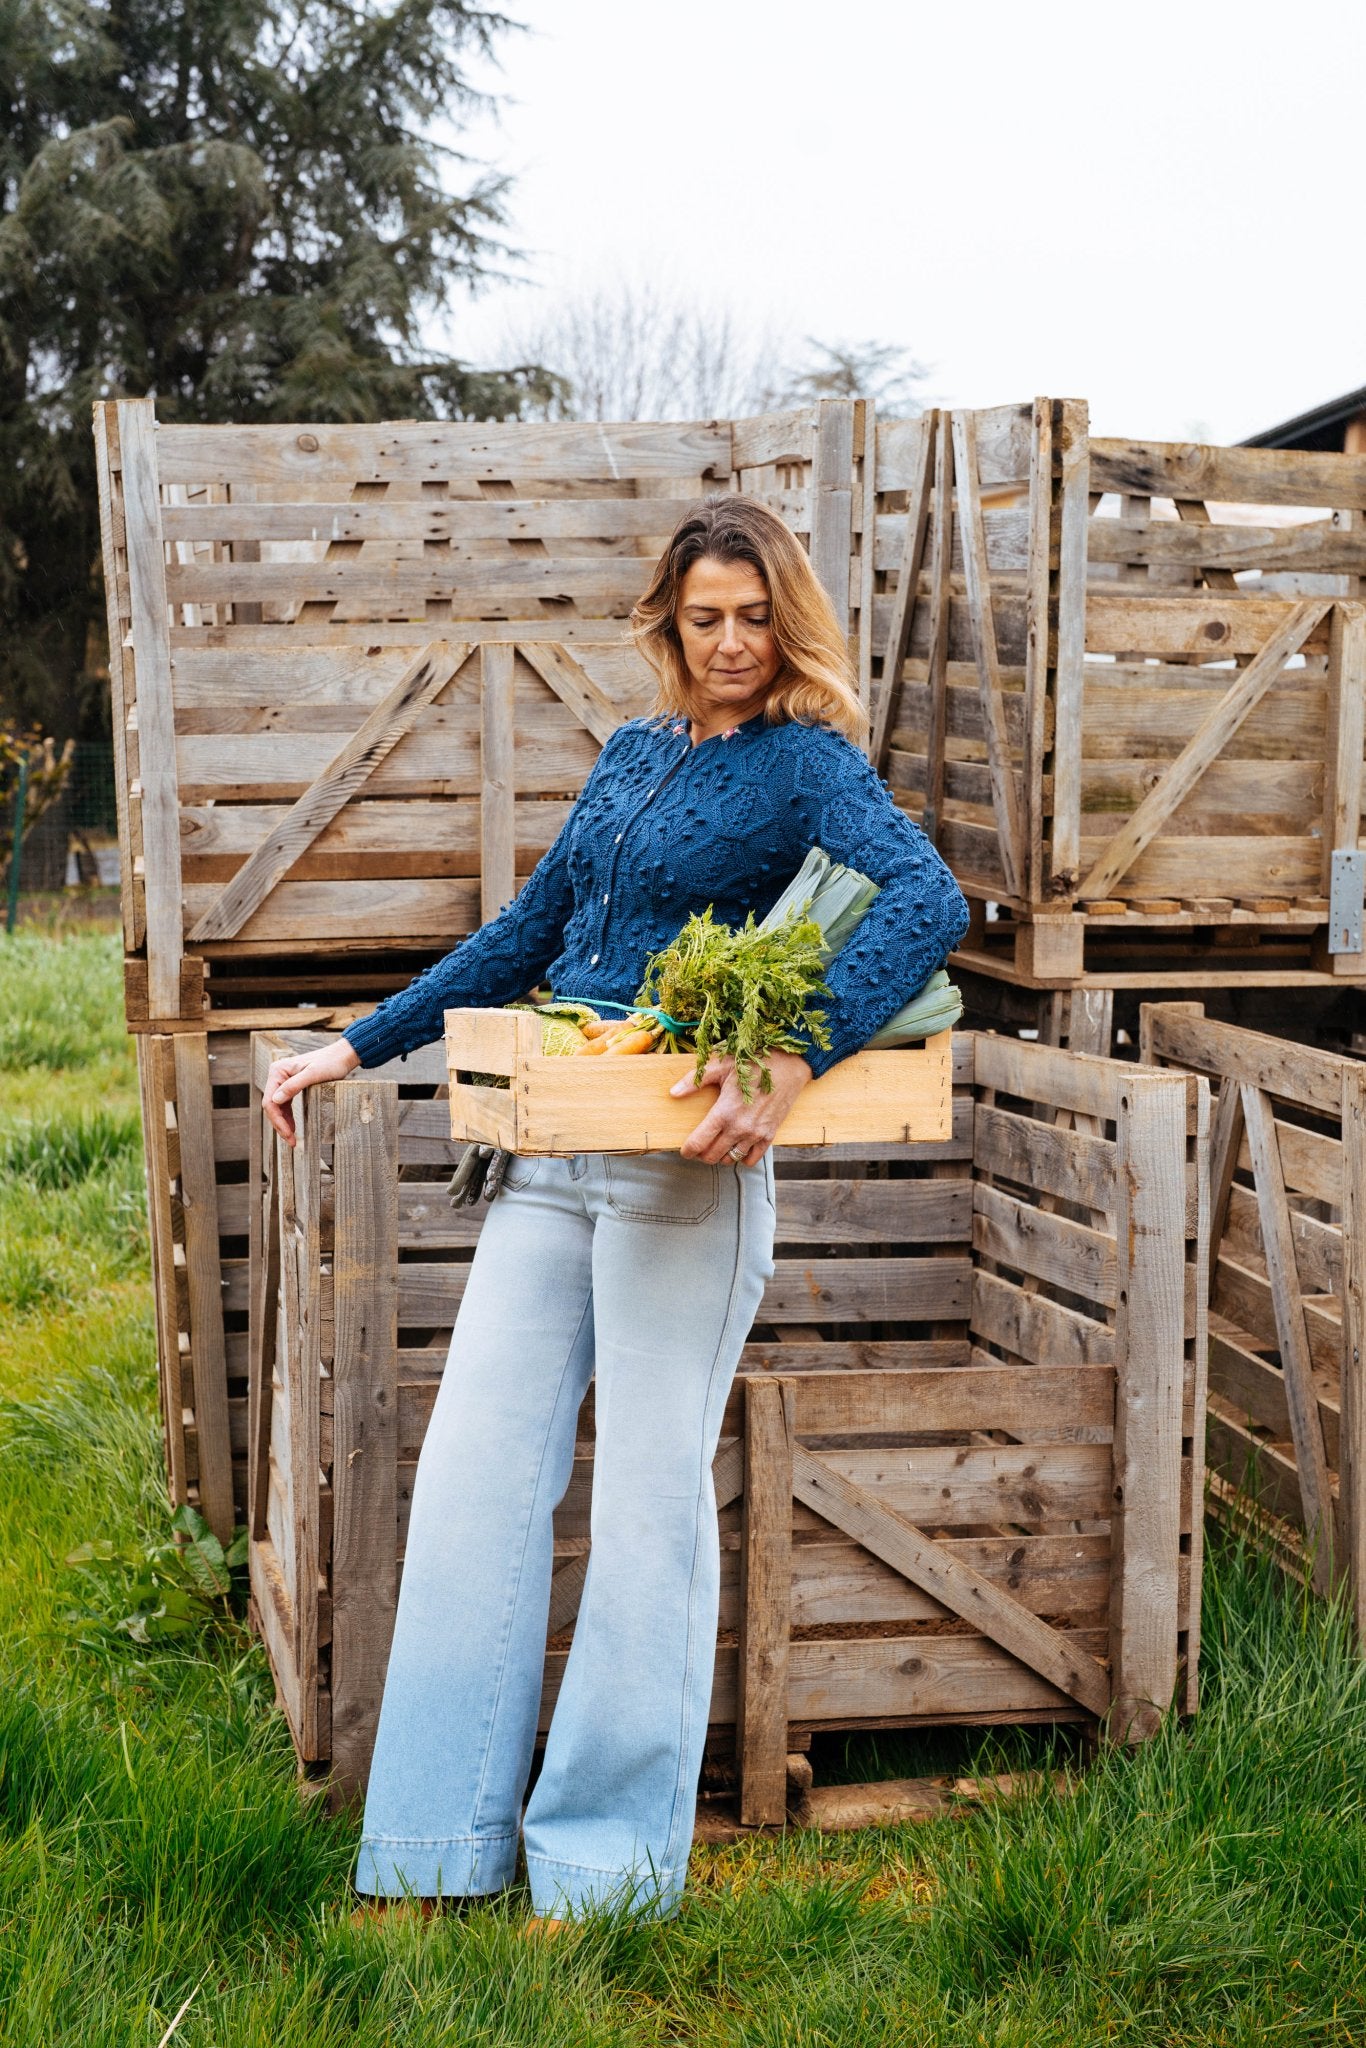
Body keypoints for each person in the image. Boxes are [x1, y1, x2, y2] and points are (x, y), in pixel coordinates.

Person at [263, 495, 969, 1924]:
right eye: (705, 618)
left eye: (755, 617)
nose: (731, 643)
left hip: (678, 1167)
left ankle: (600, 1874)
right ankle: (436, 1846)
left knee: (649, 1509)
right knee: (475, 1479)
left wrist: (790, 1053)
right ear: (667, 623)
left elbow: (925, 899)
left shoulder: (808, 765)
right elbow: (531, 931)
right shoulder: (633, 754)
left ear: (788, 622)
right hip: (549, 1152)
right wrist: (360, 1042)